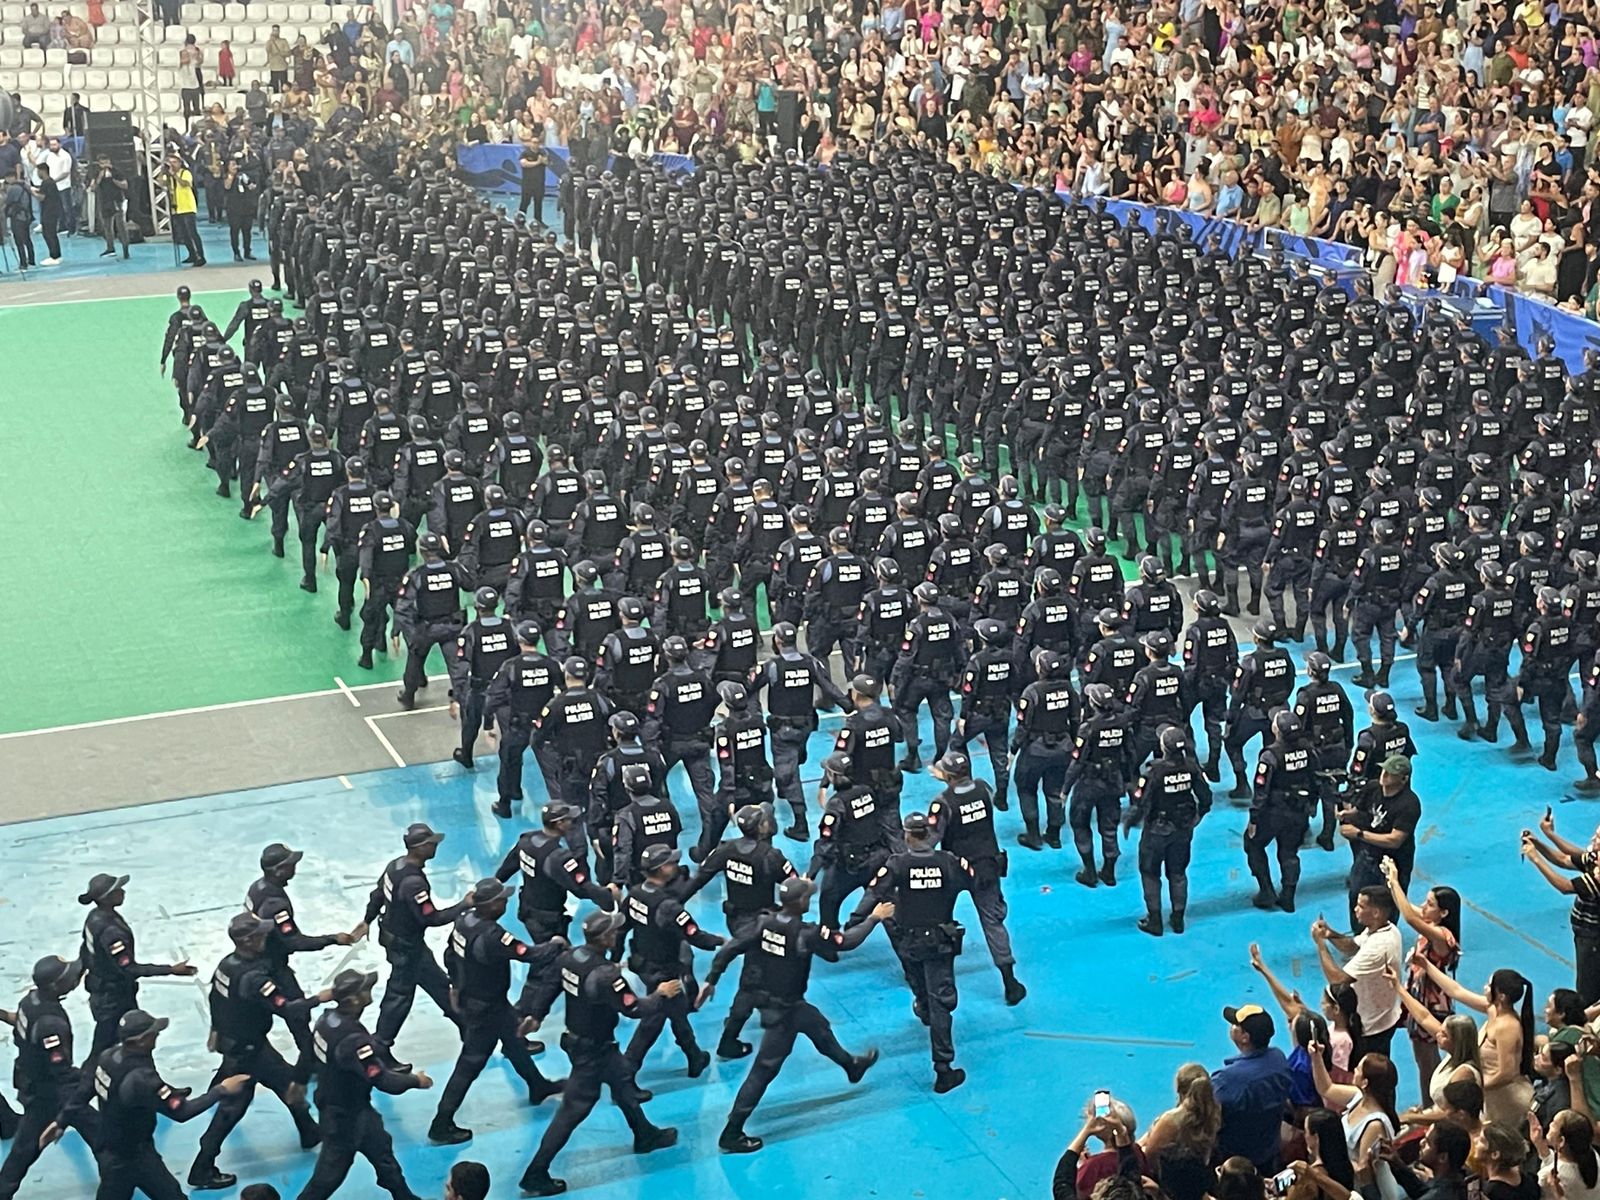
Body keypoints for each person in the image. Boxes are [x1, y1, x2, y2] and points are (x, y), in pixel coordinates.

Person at [700, 877, 888, 1153]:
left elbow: (730, 949)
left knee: (817, 1025)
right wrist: (874, 918)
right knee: (763, 1070)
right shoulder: (807, 933)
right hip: (784, 1011)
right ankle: (732, 1130)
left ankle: (851, 1065)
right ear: (801, 902)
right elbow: (846, 942)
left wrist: (711, 979)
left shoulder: (764, 923)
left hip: (776, 1000)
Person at [517, 908, 681, 1196]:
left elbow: (551, 984)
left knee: (622, 1081)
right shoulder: (606, 975)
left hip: (590, 1044)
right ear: (604, 937)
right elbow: (634, 1009)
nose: (617, 933)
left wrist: (537, 1015)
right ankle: (535, 1173)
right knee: (572, 1111)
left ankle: (645, 1134)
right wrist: (661, 994)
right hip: (591, 1053)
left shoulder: (571, 958)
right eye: (613, 931)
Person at [188, 912, 326, 1190]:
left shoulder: (226, 966)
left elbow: (215, 998)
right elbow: (285, 1007)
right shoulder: (254, 978)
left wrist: (216, 1029)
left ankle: (309, 1131)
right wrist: (320, 999)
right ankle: (202, 1167)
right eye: (260, 934)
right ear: (247, 940)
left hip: (246, 1044)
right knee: (232, 1109)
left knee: (289, 1084)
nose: (266, 937)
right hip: (248, 1052)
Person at [428, 877, 563, 1145]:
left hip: (481, 1000)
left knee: (514, 1041)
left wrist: (455, 984)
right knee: (469, 1064)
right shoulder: (493, 936)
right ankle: (441, 1122)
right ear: (490, 905)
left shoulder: (463, 922)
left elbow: (449, 955)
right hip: (485, 1009)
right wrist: (556, 945)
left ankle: (537, 1085)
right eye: (502, 899)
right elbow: (528, 954)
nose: (506, 902)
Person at [853, 811, 973, 1093]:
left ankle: (922, 1005)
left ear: (906, 835)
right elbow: (970, 882)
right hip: (940, 940)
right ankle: (943, 1069)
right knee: (942, 1002)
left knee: (916, 977)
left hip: (909, 939)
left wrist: (857, 920)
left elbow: (874, 893)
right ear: (929, 834)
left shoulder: (897, 864)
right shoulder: (949, 862)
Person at [295, 969, 432, 1200]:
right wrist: (416, 1081)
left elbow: (308, 1052)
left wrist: (298, 1080)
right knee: (328, 1176)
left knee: (382, 1153)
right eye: (365, 989)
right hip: (344, 1117)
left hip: (352, 1107)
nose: (370, 991)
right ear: (354, 1000)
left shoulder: (326, 1020)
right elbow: (383, 1080)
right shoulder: (354, 1041)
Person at [361, 822, 472, 1053]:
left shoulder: (395, 866)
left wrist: (367, 920)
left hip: (399, 940)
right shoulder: (414, 883)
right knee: (399, 996)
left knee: (439, 984)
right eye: (431, 843)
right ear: (419, 847)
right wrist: (464, 905)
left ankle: (467, 1027)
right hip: (406, 947)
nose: (435, 847)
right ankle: (381, 1046)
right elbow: (430, 918)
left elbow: (378, 894)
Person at [0, 956, 98, 1200]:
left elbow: (18, 1022)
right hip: (51, 1091)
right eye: (67, 976)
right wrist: (90, 1080)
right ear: (55, 986)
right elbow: (60, 1071)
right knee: (28, 1146)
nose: (73, 978)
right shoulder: (50, 1024)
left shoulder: (29, 1001)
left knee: (24, 1149)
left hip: (31, 1080)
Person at [78, 872, 197, 1062]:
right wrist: (171, 970)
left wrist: (79, 972)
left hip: (102, 991)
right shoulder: (112, 931)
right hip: (115, 998)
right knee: (113, 1044)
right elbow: (129, 969)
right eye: (118, 890)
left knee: (134, 1039)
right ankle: (89, 1085)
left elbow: (86, 949)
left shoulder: (94, 918)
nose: (123, 891)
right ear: (107, 898)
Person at [1411, 962, 1537, 1129]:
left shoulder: (1508, 1027)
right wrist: (1426, 965)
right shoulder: (1494, 1010)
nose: (1485, 987)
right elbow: (1456, 991)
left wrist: (1474, 1088)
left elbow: (1507, 1073)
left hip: (1505, 1100)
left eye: (1490, 985)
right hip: (1490, 1095)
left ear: (1502, 996)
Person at [1379, 857, 1462, 1102]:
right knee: (1420, 1054)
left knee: (1427, 1058)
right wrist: (1391, 879)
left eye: (1429, 904)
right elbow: (1407, 908)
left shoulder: (1440, 934)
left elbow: (1409, 917)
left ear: (1443, 912)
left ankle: (1432, 1104)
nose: (1423, 907)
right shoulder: (1432, 921)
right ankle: (1430, 1101)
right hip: (1418, 993)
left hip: (1431, 1000)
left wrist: (1394, 880)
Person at [1313, 888, 1404, 1059]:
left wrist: (1320, 945)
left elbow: (1338, 979)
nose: (1355, 909)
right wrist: (1330, 934)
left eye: (1361, 906)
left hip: (1371, 1026)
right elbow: (1352, 946)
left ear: (1376, 912)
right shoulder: (1386, 929)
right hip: (1384, 1015)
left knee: (1369, 1075)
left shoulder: (1379, 947)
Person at [1211, 1004, 1294, 1172]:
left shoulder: (1227, 1080)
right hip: (1269, 1152)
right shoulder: (1278, 1058)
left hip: (1234, 1163)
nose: (1231, 1027)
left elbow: (1205, 1113)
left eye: (1235, 1025)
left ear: (1245, 1037)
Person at [1138, 1064, 1223, 1200]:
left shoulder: (1171, 1121)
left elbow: (1150, 1155)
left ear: (1179, 1090)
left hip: (1170, 1184)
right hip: (1197, 1179)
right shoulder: (1214, 1113)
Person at [162, 151, 206, 266]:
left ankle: (200, 255)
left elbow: (185, 184)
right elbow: (162, 183)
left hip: (187, 207)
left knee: (192, 232)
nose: (172, 165)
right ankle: (192, 254)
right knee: (183, 234)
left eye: (175, 162)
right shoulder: (169, 176)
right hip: (177, 207)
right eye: (170, 163)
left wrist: (174, 175)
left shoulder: (185, 173)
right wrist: (165, 173)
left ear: (180, 163)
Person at [93, 154, 129, 259]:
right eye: (101, 163)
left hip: (116, 200)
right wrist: (100, 177)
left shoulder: (116, 172)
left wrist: (114, 180)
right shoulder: (97, 173)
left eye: (105, 162)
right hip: (104, 201)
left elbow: (125, 185)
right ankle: (110, 248)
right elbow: (93, 187)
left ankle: (125, 248)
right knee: (107, 226)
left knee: (120, 225)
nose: (103, 165)